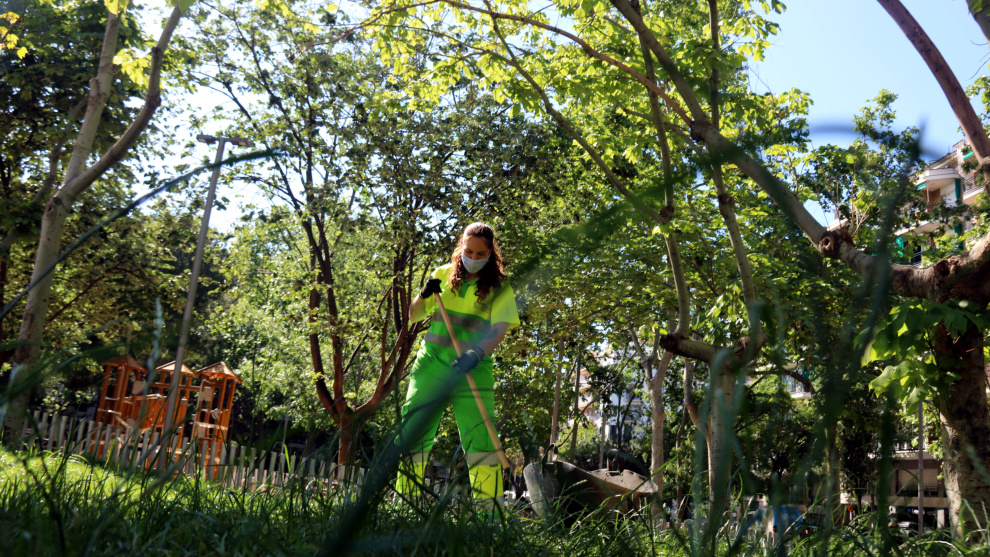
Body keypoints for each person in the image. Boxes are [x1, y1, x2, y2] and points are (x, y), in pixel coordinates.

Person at [395, 222, 520, 512]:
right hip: (431, 367)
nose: (473, 258)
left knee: (481, 442)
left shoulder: (500, 286)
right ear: (460, 248)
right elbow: (413, 316)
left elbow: (499, 330)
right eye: (468, 251)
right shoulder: (442, 274)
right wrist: (424, 294)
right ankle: (403, 509)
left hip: (472, 369)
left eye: (480, 254)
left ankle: (489, 516)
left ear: (491, 253)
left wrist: (476, 353)